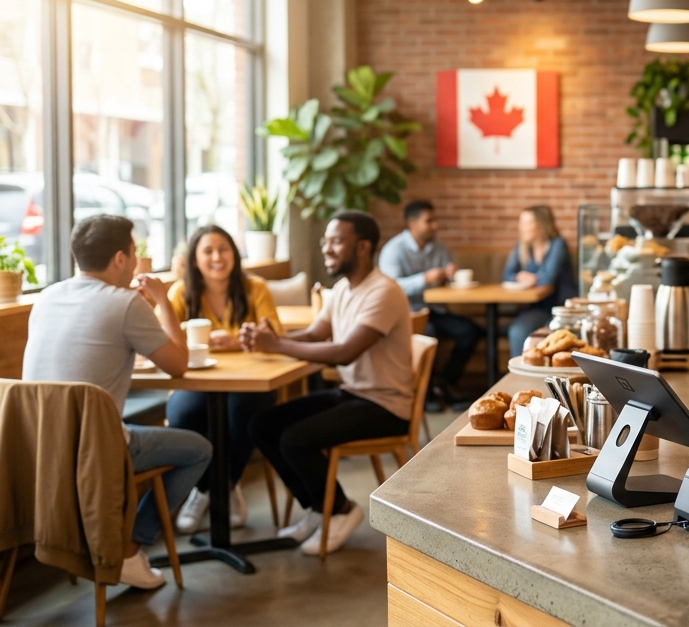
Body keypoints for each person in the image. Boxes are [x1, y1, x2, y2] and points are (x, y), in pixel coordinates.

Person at [22, 215, 211, 589]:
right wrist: (163, 300)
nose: (138, 260)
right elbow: (179, 365)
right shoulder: (125, 304)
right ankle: (128, 549)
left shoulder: (46, 297)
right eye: (135, 252)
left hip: (38, 448)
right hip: (96, 450)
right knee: (199, 449)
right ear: (121, 258)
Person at [243, 210, 414, 556]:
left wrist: (277, 346)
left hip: (386, 405)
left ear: (363, 247)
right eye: (326, 241)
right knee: (263, 425)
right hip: (353, 393)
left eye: (336, 241)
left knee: (295, 440)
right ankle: (320, 507)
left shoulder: (384, 291)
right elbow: (313, 334)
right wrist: (268, 339)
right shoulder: (341, 289)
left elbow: (344, 352)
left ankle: (341, 509)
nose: (326, 249)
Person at [166, 226, 282, 534]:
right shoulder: (180, 292)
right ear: (195, 259)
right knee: (181, 414)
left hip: (251, 381)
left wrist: (236, 342)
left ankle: (224, 485)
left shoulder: (255, 288)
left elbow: (276, 334)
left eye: (224, 249)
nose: (217, 257)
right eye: (208, 251)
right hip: (197, 380)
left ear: (235, 253)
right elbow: (161, 338)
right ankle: (206, 487)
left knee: (243, 412)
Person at [379, 200, 481, 409]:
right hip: (406, 313)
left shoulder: (440, 248)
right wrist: (424, 278)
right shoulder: (393, 250)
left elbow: (446, 284)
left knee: (470, 331)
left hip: (434, 310)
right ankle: (425, 395)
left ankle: (444, 383)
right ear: (412, 223)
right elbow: (391, 288)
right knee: (427, 333)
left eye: (435, 221)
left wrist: (449, 276)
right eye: (429, 221)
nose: (435, 226)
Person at [503, 205, 576, 357]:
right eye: (521, 223)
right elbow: (506, 275)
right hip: (539, 307)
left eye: (527, 223)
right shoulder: (523, 247)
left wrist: (533, 278)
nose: (521, 228)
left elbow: (548, 278)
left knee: (545, 336)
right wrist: (519, 276)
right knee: (517, 331)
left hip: (562, 308)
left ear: (541, 225)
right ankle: (519, 371)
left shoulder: (557, 244)